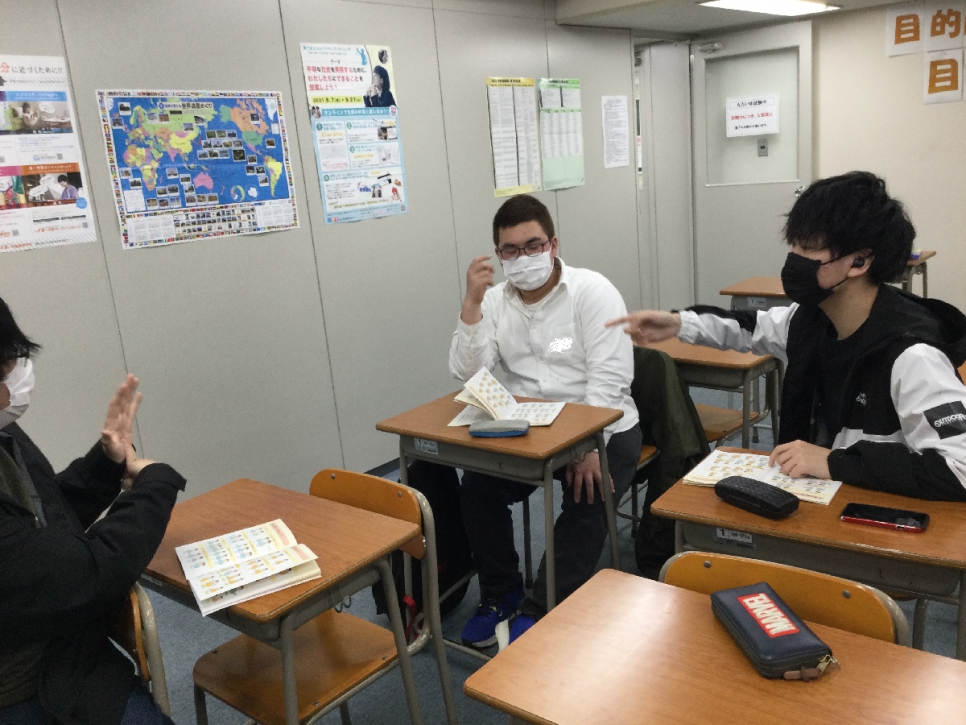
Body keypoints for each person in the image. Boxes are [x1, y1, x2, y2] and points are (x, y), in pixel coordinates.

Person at [609, 171, 966, 501]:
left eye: (808, 247)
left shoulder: (912, 355)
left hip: (877, 512)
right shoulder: (810, 320)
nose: (795, 258)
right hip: (819, 496)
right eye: (794, 244)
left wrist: (834, 462)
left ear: (860, 261)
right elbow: (749, 328)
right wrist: (678, 324)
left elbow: (959, 468)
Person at [449, 194, 641, 647]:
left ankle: (544, 607)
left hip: (604, 424)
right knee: (476, 489)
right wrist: (472, 303)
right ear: (499, 256)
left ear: (553, 244)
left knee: (588, 494)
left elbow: (610, 378)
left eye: (533, 245)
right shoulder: (494, 301)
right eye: (511, 250)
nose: (523, 257)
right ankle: (501, 593)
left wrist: (589, 445)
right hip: (530, 426)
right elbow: (468, 372)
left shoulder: (592, 291)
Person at [0, 297, 187, 724]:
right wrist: (155, 482)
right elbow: (89, 573)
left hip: (60, 644)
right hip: (30, 682)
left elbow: (42, 523)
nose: (16, 373)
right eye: (6, 365)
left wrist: (105, 463)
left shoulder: (5, 434)